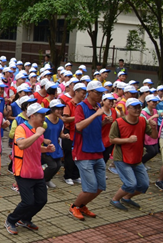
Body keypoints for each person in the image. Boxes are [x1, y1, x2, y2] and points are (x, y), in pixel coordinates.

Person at [4, 103, 55, 235]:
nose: (44, 118)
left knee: (42, 200)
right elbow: (21, 144)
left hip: (37, 171)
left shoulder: (37, 130)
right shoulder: (22, 128)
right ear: (32, 116)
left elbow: (35, 147)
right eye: (42, 115)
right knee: (27, 201)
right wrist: (37, 135)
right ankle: (11, 220)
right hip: (23, 171)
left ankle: (25, 219)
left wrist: (46, 149)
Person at [69, 81, 110, 221]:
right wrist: (96, 115)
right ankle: (74, 206)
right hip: (83, 152)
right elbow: (79, 126)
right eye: (97, 92)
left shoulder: (97, 106)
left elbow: (94, 125)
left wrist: (104, 122)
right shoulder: (81, 107)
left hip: (97, 150)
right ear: (89, 92)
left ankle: (82, 205)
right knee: (90, 187)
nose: (100, 95)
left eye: (101, 93)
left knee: (100, 186)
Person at [109, 98, 157, 210]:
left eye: (139, 107)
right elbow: (112, 139)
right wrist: (127, 140)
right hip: (121, 157)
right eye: (134, 107)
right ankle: (115, 199)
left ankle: (126, 197)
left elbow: (154, 136)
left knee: (144, 185)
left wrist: (154, 127)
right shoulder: (118, 122)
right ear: (128, 108)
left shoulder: (142, 120)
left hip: (137, 158)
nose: (137, 109)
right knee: (130, 184)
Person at [43, 99, 68, 188]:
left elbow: (59, 134)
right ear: (52, 109)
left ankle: (47, 180)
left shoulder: (60, 121)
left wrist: (64, 136)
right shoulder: (45, 120)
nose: (60, 111)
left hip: (55, 147)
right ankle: (42, 181)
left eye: (61, 109)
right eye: (58, 109)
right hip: (46, 147)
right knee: (52, 166)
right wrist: (44, 140)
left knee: (58, 165)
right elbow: (37, 133)